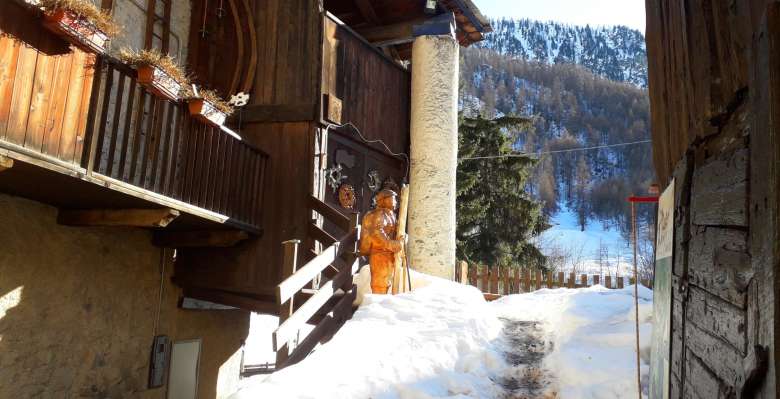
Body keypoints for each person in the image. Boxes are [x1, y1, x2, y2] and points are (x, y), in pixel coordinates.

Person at [359, 189, 405, 294]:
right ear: (384, 200)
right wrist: (392, 244)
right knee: (380, 282)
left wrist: (402, 238)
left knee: (386, 281)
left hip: (388, 254)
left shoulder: (391, 215)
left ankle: (382, 305)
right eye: (393, 198)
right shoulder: (380, 214)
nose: (396, 202)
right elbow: (376, 232)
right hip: (380, 253)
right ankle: (377, 305)